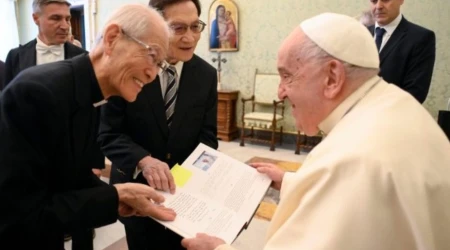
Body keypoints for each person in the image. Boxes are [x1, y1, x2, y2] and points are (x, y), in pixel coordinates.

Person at [181, 12, 450, 250]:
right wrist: (287, 180)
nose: (280, 92)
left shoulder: (351, 159)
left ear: (332, 77)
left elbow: (348, 181)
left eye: (287, 76)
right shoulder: (394, 107)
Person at [0, 4, 177, 250]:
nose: (153, 74)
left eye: (160, 64)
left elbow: (69, 180)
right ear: (113, 38)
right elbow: (19, 215)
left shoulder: (94, 93)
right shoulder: (35, 93)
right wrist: (115, 196)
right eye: (152, 56)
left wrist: (120, 198)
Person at [97, 0, 218, 249]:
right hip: (137, 193)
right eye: (179, 28)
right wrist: (144, 160)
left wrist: (185, 179)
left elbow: (208, 137)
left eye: (195, 26)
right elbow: (108, 134)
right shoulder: (130, 68)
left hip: (185, 195)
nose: (190, 38)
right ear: (157, 27)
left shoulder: (206, 74)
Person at [2, 0, 85, 90]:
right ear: (36, 18)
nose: (65, 26)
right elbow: (8, 99)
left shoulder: (82, 57)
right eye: (56, 18)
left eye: (67, 19)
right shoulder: (15, 57)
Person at [368, 0, 436, 103]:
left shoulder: (420, 38)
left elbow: (415, 93)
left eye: (385, 0)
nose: (378, 6)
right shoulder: (359, 33)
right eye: (374, 1)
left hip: (393, 115)